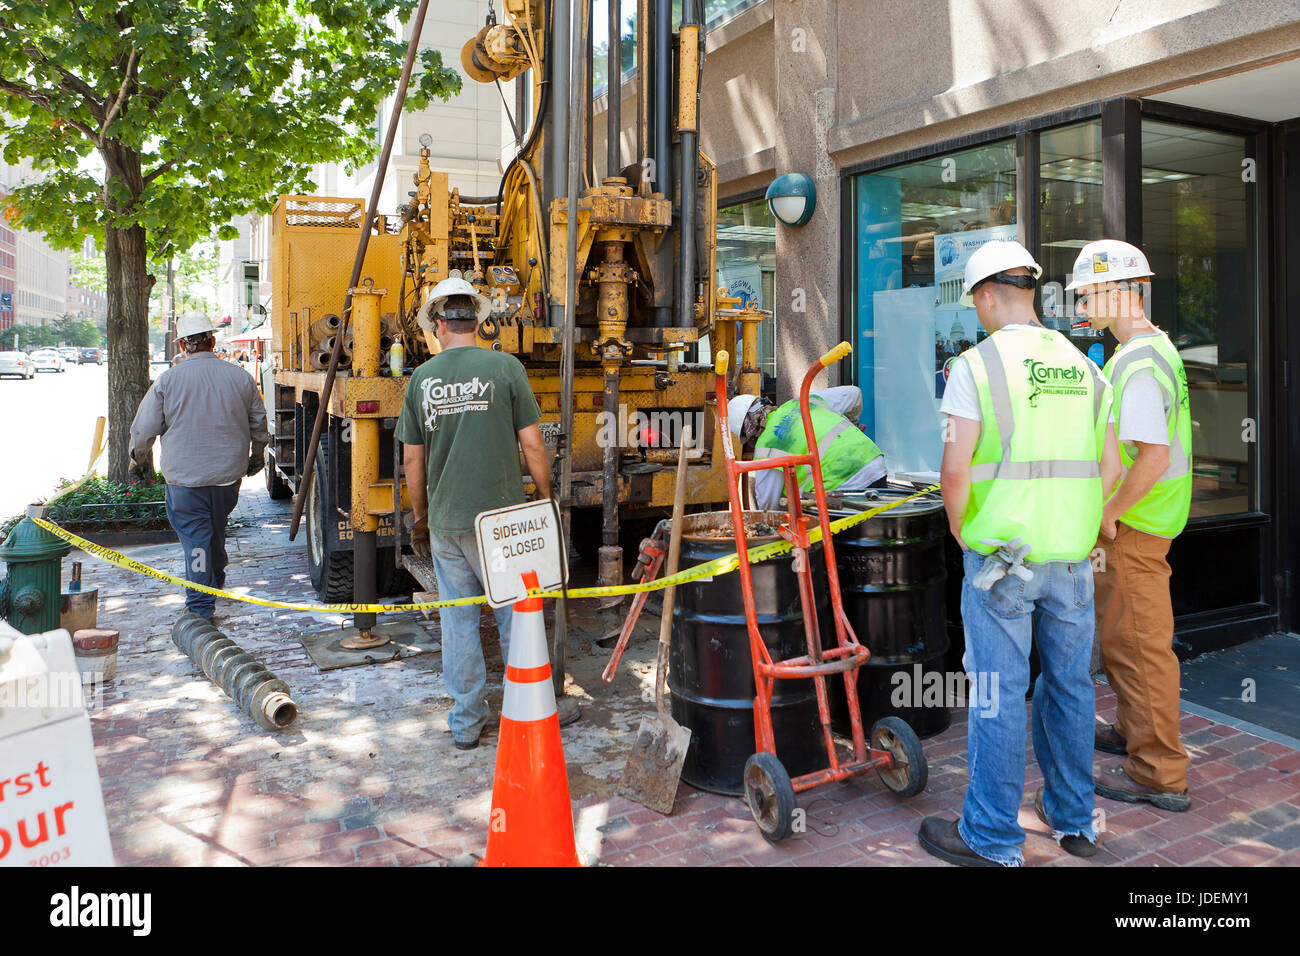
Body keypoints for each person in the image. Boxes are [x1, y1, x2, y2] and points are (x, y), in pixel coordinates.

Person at [919, 239, 1121, 866]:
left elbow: (955, 470)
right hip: (1071, 557)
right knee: (1070, 686)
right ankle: (1072, 820)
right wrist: (1080, 525)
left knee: (997, 692)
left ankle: (992, 836)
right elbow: (1112, 464)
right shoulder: (1087, 366)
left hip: (1002, 558)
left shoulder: (973, 368)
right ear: (1032, 292)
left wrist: (960, 528)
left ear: (983, 297)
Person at [396, 276, 575, 750]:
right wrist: (544, 493)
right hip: (501, 523)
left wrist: (421, 516)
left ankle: (466, 723)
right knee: (516, 616)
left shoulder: (420, 380)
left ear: (437, 324)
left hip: (448, 521)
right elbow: (533, 443)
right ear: (477, 320)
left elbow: (412, 459)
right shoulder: (506, 368)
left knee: (458, 621)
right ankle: (529, 711)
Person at [1067, 239, 1194, 813]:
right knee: (1127, 641)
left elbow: (1153, 457)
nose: (1084, 305)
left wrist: (1107, 514)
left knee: (1138, 649)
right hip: (1148, 524)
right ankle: (1130, 730)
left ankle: (1158, 771)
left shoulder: (1137, 362)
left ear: (1120, 291)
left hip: (1136, 528)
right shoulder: (1155, 348)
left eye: (1090, 293)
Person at [129, 312, 269, 621]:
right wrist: (257, 455)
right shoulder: (240, 377)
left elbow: (143, 430)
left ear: (181, 345)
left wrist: (138, 460)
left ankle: (200, 607)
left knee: (196, 537)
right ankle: (215, 580)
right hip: (228, 476)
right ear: (213, 341)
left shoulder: (167, 380)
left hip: (184, 480)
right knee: (213, 529)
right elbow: (259, 423)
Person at [726, 388, 886, 510]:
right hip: (873, 463)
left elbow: (769, 506)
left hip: (841, 487)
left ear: (748, 435)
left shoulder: (766, 446)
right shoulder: (801, 402)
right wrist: (852, 424)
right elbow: (853, 393)